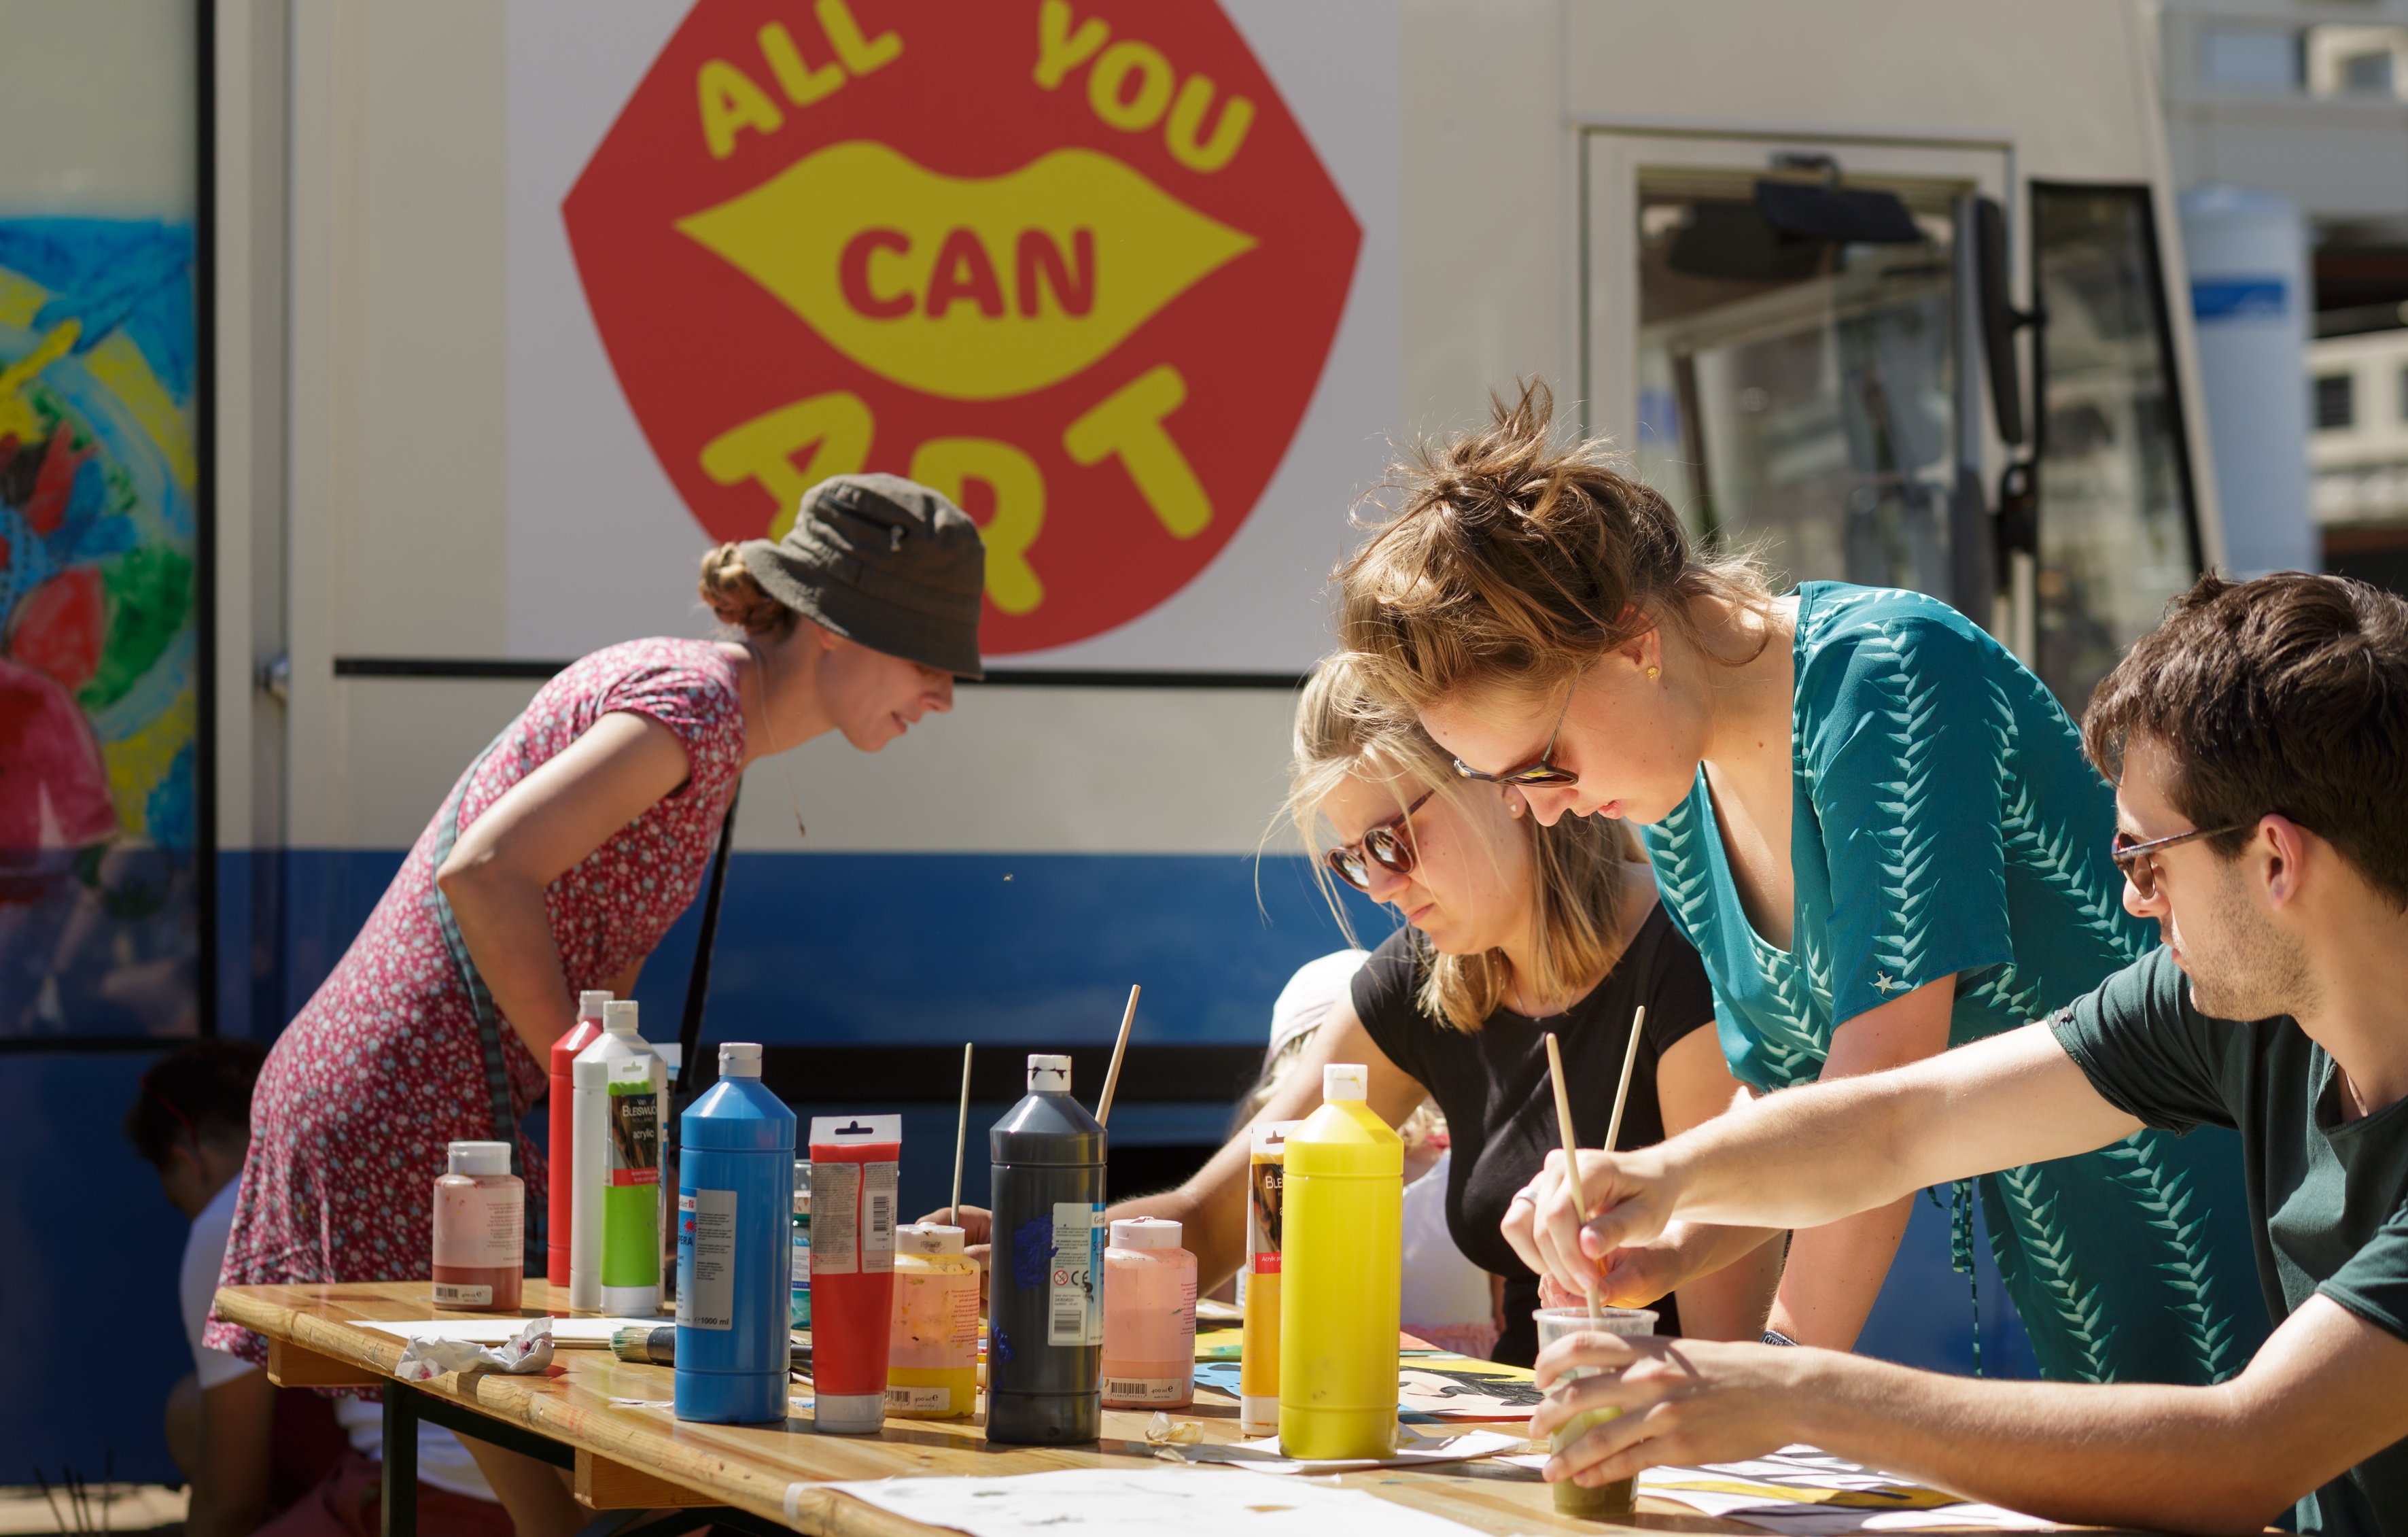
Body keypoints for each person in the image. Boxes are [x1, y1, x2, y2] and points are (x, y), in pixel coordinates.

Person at [1338, 381, 2265, 1383]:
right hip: (2061, 1247)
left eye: (1543, 761)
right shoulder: (1671, 800)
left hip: (2212, 1196)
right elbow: (1791, 1104)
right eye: (1507, 784)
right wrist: (1673, 1235)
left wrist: (1767, 1377)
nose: (1543, 807)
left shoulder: (1890, 676)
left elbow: (1875, 1097)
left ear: (1631, 647)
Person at [1507, 573, 2408, 1536]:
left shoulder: (2237, 997)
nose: (2136, 905)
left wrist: (1797, 1392)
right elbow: (1904, 1122)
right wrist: (1659, 1177)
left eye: (2145, 860)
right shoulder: (2238, 1012)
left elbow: (2244, 1453)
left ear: (2273, 860)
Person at [205, 475, 986, 1537]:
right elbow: (484, 872)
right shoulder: (697, 708)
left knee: (571, 1499)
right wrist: (606, 1106)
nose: (943, 695)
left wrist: (621, 1133)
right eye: (927, 657)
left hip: (416, 1104)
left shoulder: (702, 704)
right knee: (602, 1485)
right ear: (835, 630)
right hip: (409, 1115)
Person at [947, 655, 1781, 1364]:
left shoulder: (1687, 956)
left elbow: (1726, 1353)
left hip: (1644, 1453)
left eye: (1394, 840)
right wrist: (1040, 1249)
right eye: (1353, 859)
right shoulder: (1425, 978)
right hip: (1521, 1441)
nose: (1381, 885)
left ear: (1496, 780)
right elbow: (1216, 1217)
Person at [129, 1039, 343, 1537]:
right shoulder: (325, 1173)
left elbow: (230, 1499)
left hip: (383, 1477)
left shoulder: (226, 1224)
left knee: (204, 1416)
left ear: (189, 1161)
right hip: (466, 1454)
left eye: (176, 1197)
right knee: (193, 1407)